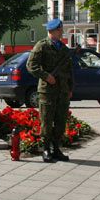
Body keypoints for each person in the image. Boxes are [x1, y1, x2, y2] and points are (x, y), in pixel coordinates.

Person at [26, 19, 74, 163]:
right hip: (47, 91)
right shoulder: (42, 46)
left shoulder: (64, 49)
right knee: (46, 120)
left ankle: (56, 149)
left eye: (61, 30)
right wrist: (46, 76)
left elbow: (69, 71)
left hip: (63, 90)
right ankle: (46, 148)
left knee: (60, 121)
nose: (61, 32)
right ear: (52, 31)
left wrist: (70, 88)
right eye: (59, 30)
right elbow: (31, 65)